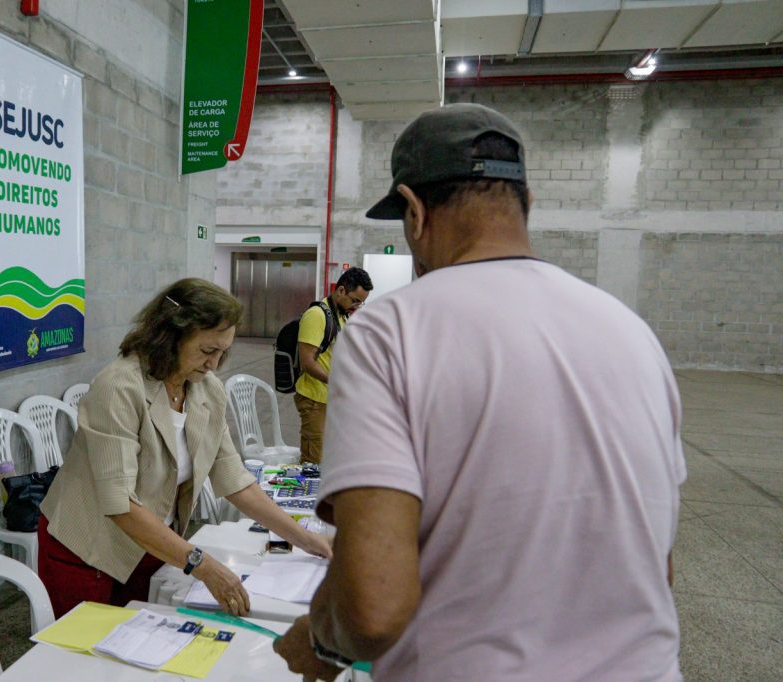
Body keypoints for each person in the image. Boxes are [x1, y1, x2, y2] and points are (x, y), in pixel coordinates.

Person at [274, 103, 686, 681]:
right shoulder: (632, 334)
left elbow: (373, 606)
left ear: (414, 213)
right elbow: (655, 566)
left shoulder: (391, 333)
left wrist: (320, 640)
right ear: (527, 204)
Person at [39, 278, 332, 618]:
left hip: (148, 544)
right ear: (170, 336)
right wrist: (203, 565)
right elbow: (118, 504)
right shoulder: (120, 388)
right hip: (86, 547)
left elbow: (234, 479)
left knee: (133, 649)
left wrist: (307, 540)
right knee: (86, 660)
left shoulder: (206, 390)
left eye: (224, 352)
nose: (214, 365)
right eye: (208, 351)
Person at [294, 267, 373, 464]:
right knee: (314, 461)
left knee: (329, 458)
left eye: (361, 303)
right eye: (354, 300)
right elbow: (307, 362)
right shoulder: (317, 315)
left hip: (330, 398)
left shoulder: (340, 315)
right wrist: (336, 381)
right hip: (314, 400)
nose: (356, 306)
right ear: (340, 291)